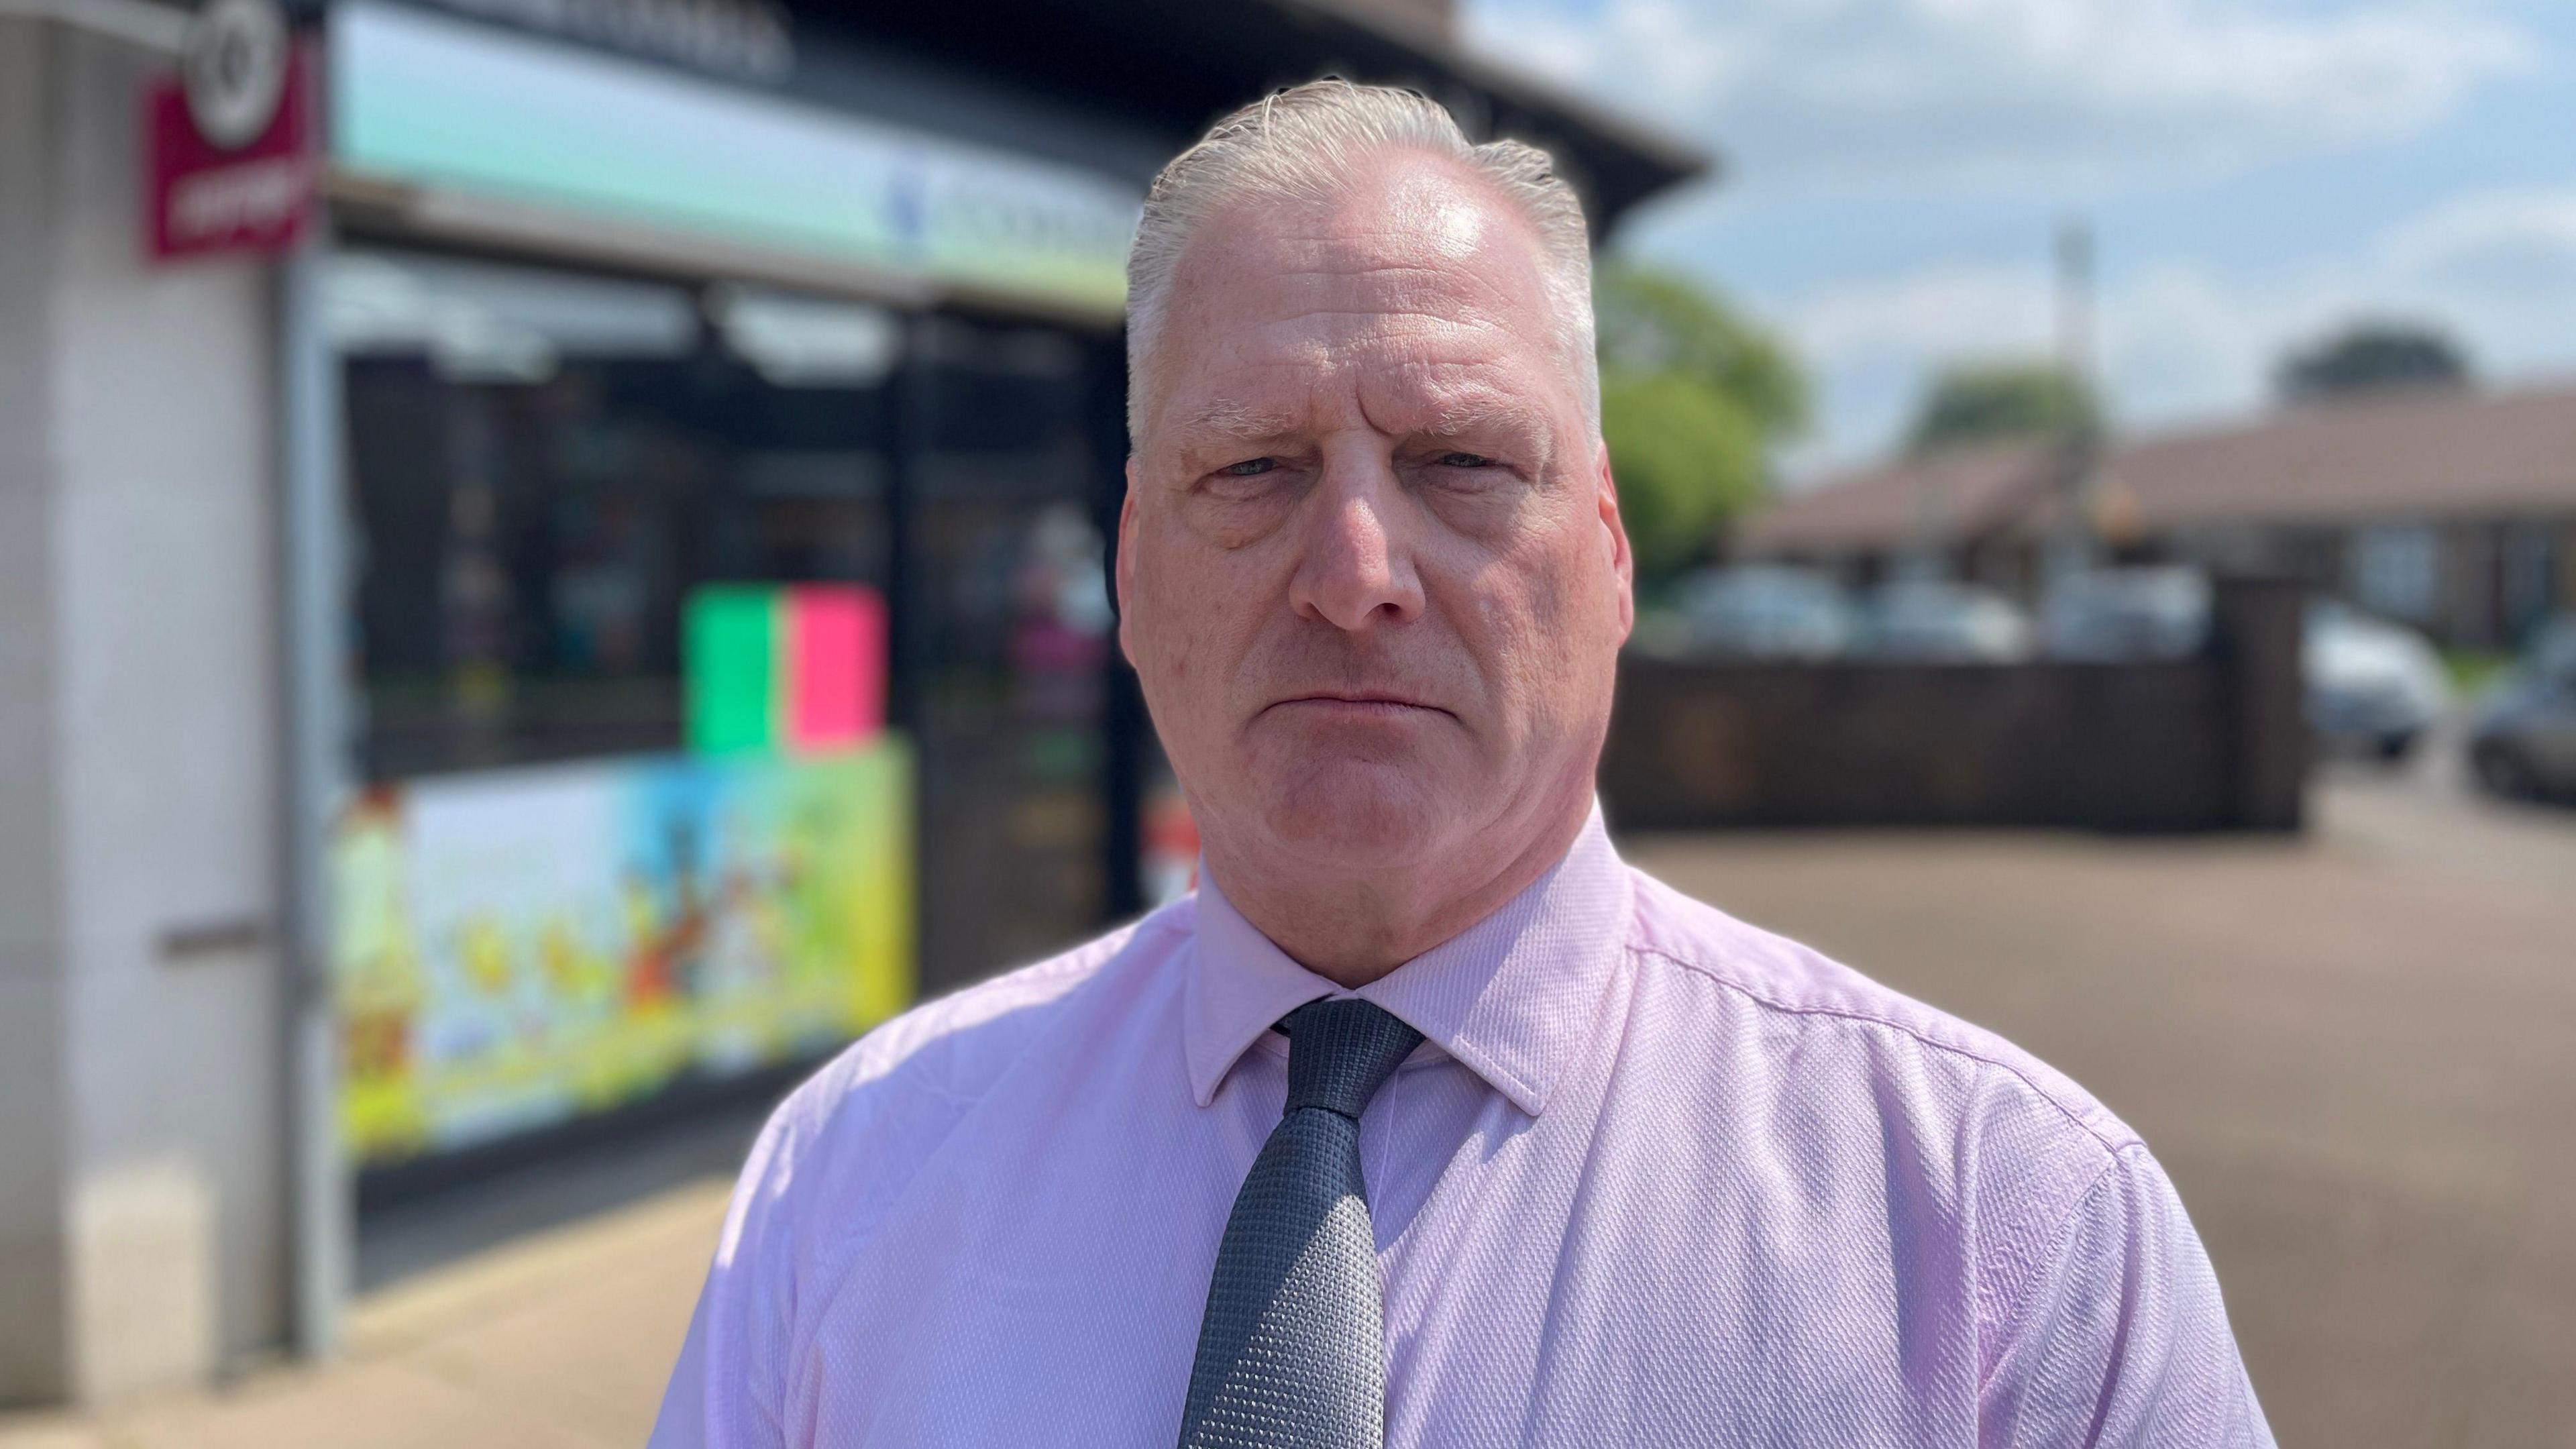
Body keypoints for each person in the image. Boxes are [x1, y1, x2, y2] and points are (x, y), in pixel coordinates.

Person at [649, 80, 2273, 1448]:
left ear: (1613, 555)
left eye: (1462, 461)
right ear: (1135, 571)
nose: (1357, 564)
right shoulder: (848, 1181)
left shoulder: (2007, 1232)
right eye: (1257, 465)